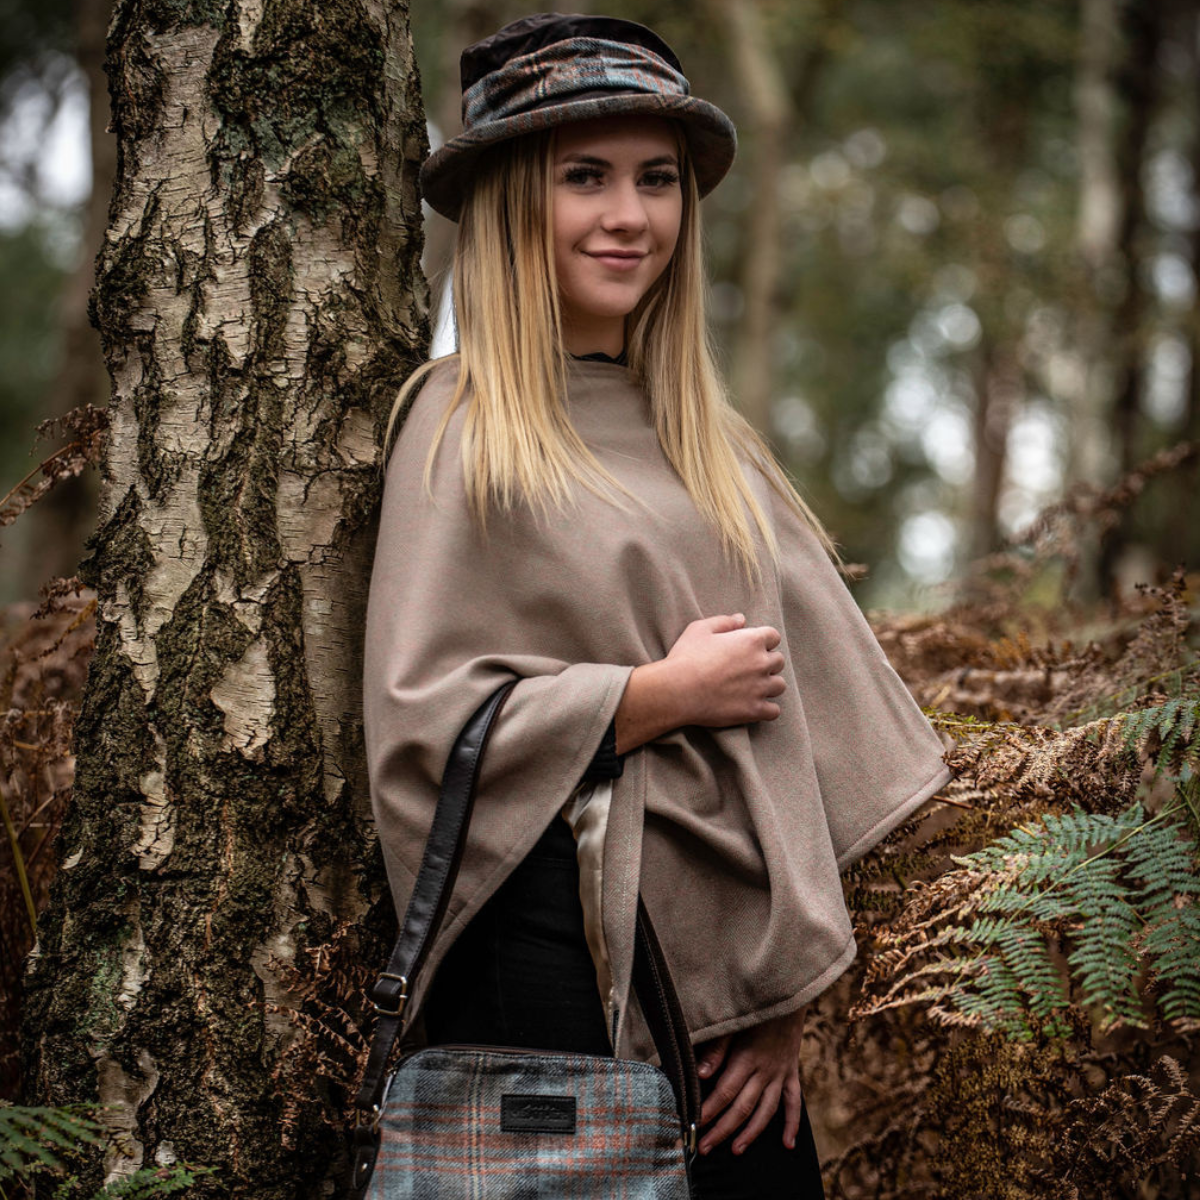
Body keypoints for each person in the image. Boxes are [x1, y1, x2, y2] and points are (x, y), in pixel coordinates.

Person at [362, 13, 953, 1199]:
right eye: (585, 177)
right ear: (515, 202)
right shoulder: (462, 426)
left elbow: (797, 744)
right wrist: (647, 698)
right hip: (548, 988)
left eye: (657, 180)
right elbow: (424, 731)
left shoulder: (711, 444)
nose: (628, 215)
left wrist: (779, 1002)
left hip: (730, 1016)